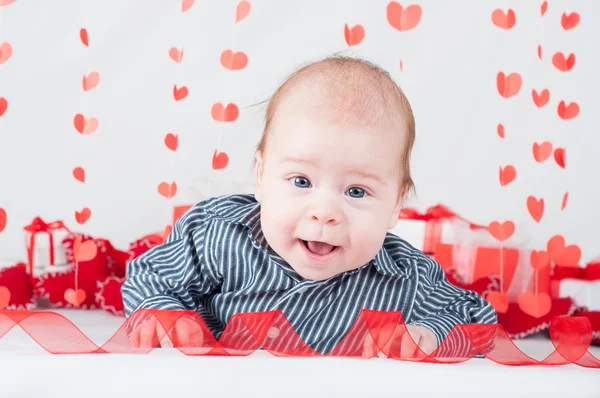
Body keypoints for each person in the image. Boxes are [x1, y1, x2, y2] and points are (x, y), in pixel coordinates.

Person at [121, 55, 497, 358]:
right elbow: (153, 275)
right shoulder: (218, 233)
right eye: (301, 182)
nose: (324, 212)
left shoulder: (405, 277)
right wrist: (163, 312)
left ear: (396, 205)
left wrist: (430, 334)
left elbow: (476, 318)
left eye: (356, 192)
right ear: (262, 177)